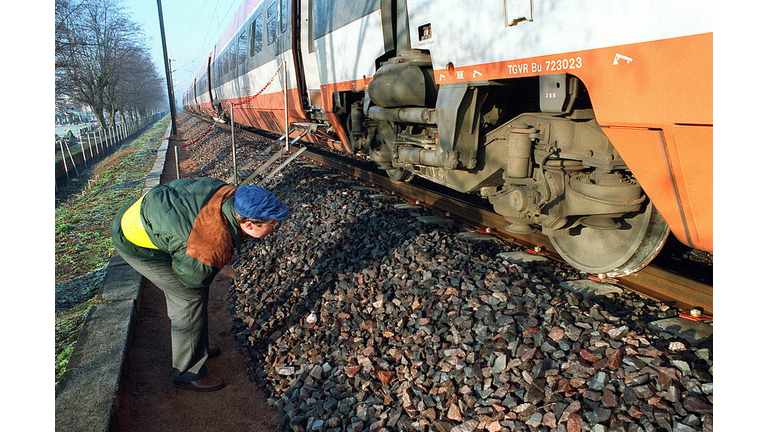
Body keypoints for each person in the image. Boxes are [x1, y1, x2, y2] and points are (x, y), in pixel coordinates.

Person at [111, 177, 289, 392]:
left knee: (195, 290)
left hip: (146, 215)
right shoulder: (208, 244)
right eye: (272, 223)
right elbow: (193, 279)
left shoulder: (227, 194)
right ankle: (187, 373)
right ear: (248, 225)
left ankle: (197, 347)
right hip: (134, 240)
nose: (276, 226)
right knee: (189, 297)